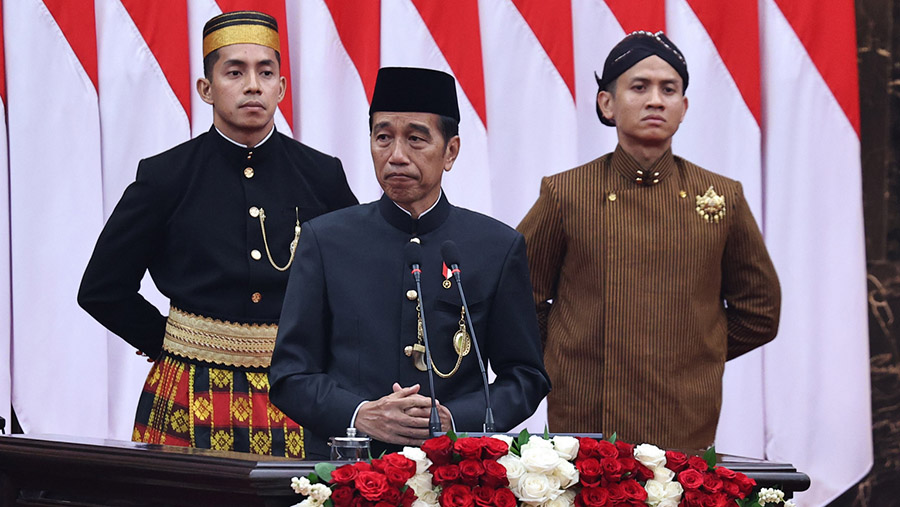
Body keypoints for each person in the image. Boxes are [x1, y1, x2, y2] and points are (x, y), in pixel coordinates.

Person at [77, 10, 357, 458]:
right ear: (206, 89)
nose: (253, 85)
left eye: (266, 72)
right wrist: (170, 343)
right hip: (190, 386)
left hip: (298, 390)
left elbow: (356, 284)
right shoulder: (166, 177)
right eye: (235, 71)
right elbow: (101, 290)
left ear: (281, 88)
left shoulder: (321, 175)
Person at [517, 31, 781, 450]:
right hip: (586, 411)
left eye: (668, 89)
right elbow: (518, 296)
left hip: (683, 413)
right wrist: (572, 350)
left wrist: (695, 352)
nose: (655, 100)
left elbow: (760, 311)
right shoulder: (566, 193)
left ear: (684, 107)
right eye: (639, 87)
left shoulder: (721, 196)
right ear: (607, 102)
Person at [269, 67, 551, 459]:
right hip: (347, 472)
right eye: (383, 137)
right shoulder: (326, 240)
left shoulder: (496, 246)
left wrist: (456, 420)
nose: (396, 155)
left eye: (416, 139)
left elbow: (525, 377)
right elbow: (289, 376)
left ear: (450, 151)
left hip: (456, 471)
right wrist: (361, 414)